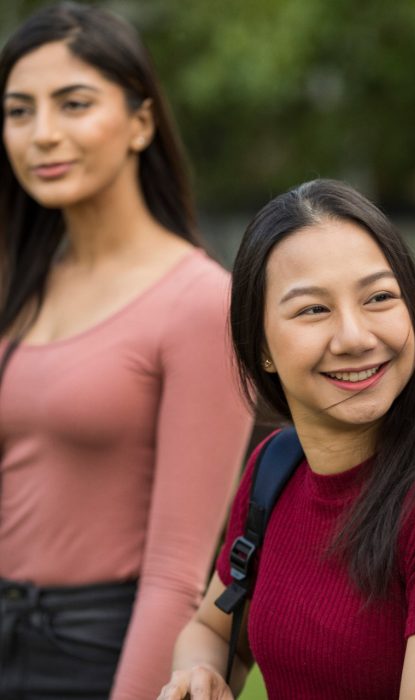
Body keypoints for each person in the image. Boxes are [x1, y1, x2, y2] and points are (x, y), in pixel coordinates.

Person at [0, 3, 253, 699]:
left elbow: (176, 570)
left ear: (141, 123)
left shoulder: (200, 302)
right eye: (18, 111)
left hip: (95, 653)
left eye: (74, 104)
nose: (42, 134)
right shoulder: (21, 288)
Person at [157, 178, 415, 700]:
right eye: (314, 309)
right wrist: (199, 675)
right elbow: (209, 629)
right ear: (261, 346)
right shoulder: (276, 467)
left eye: (379, 298)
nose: (356, 337)